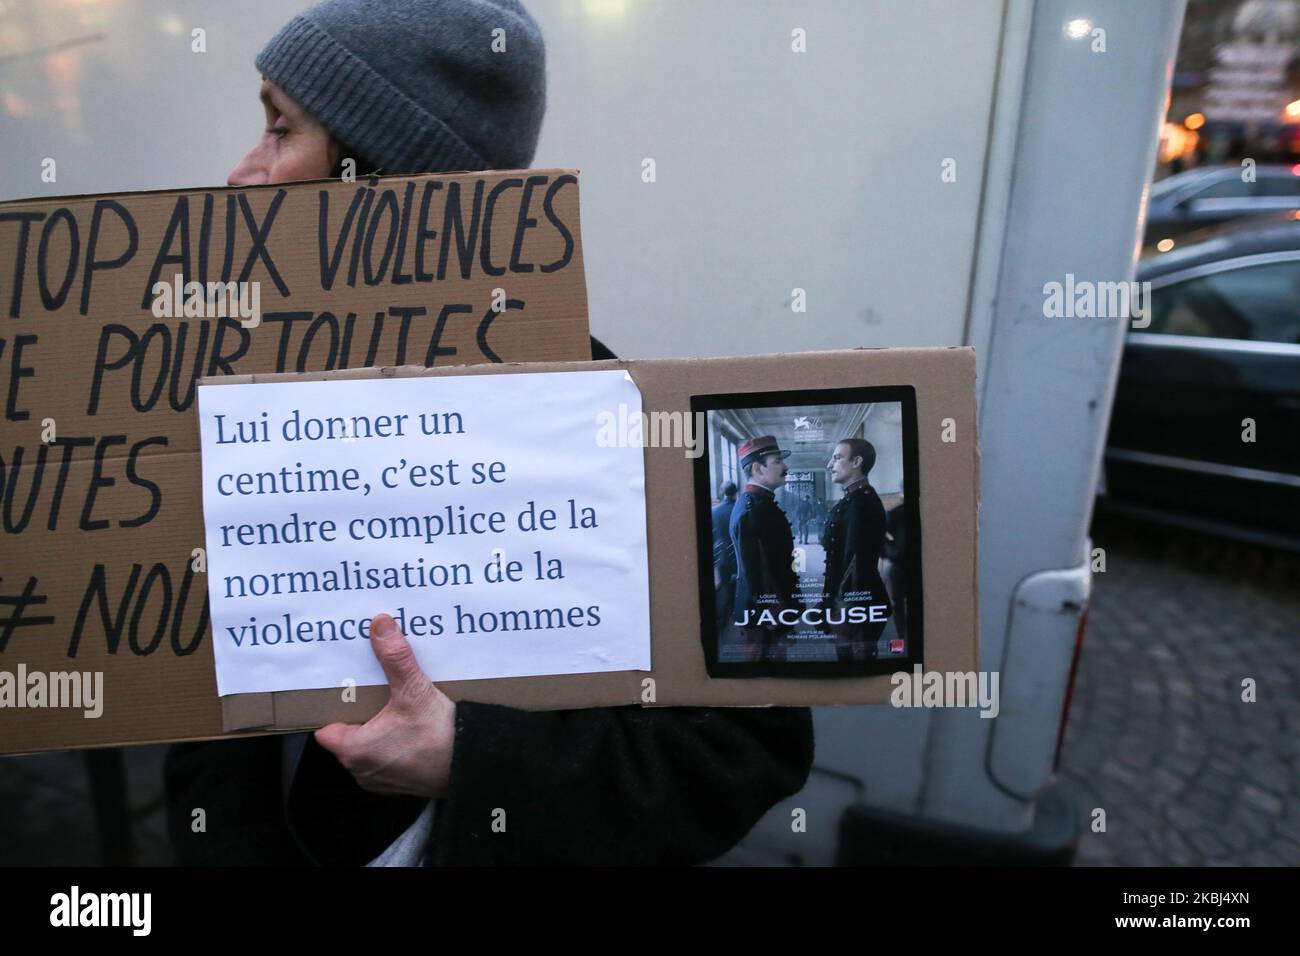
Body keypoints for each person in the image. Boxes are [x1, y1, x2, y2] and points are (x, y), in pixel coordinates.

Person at [164, 0, 813, 867]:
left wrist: (473, 761)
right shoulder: (234, 391)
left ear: (378, 177)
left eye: (281, 130)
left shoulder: (608, 423)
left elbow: (744, 751)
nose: (243, 174)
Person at [729, 436, 802, 663]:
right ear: (758, 468)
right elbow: (757, 570)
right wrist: (773, 611)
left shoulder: (760, 504)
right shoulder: (754, 509)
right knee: (765, 672)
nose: (785, 467)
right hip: (765, 617)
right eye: (778, 461)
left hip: (769, 612)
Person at [820, 438, 892, 662]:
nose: (830, 465)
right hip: (852, 600)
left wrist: (842, 607)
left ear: (856, 462)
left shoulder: (860, 504)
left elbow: (854, 564)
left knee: (855, 664)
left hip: (855, 604)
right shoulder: (856, 499)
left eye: (837, 457)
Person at [711, 482, 738, 635]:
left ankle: (723, 617)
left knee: (725, 585)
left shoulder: (714, 511)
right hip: (738, 553)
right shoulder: (740, 508)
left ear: (722, 493)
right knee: (740, 584)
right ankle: (737, 612)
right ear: (735, 492)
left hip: (721, 554)